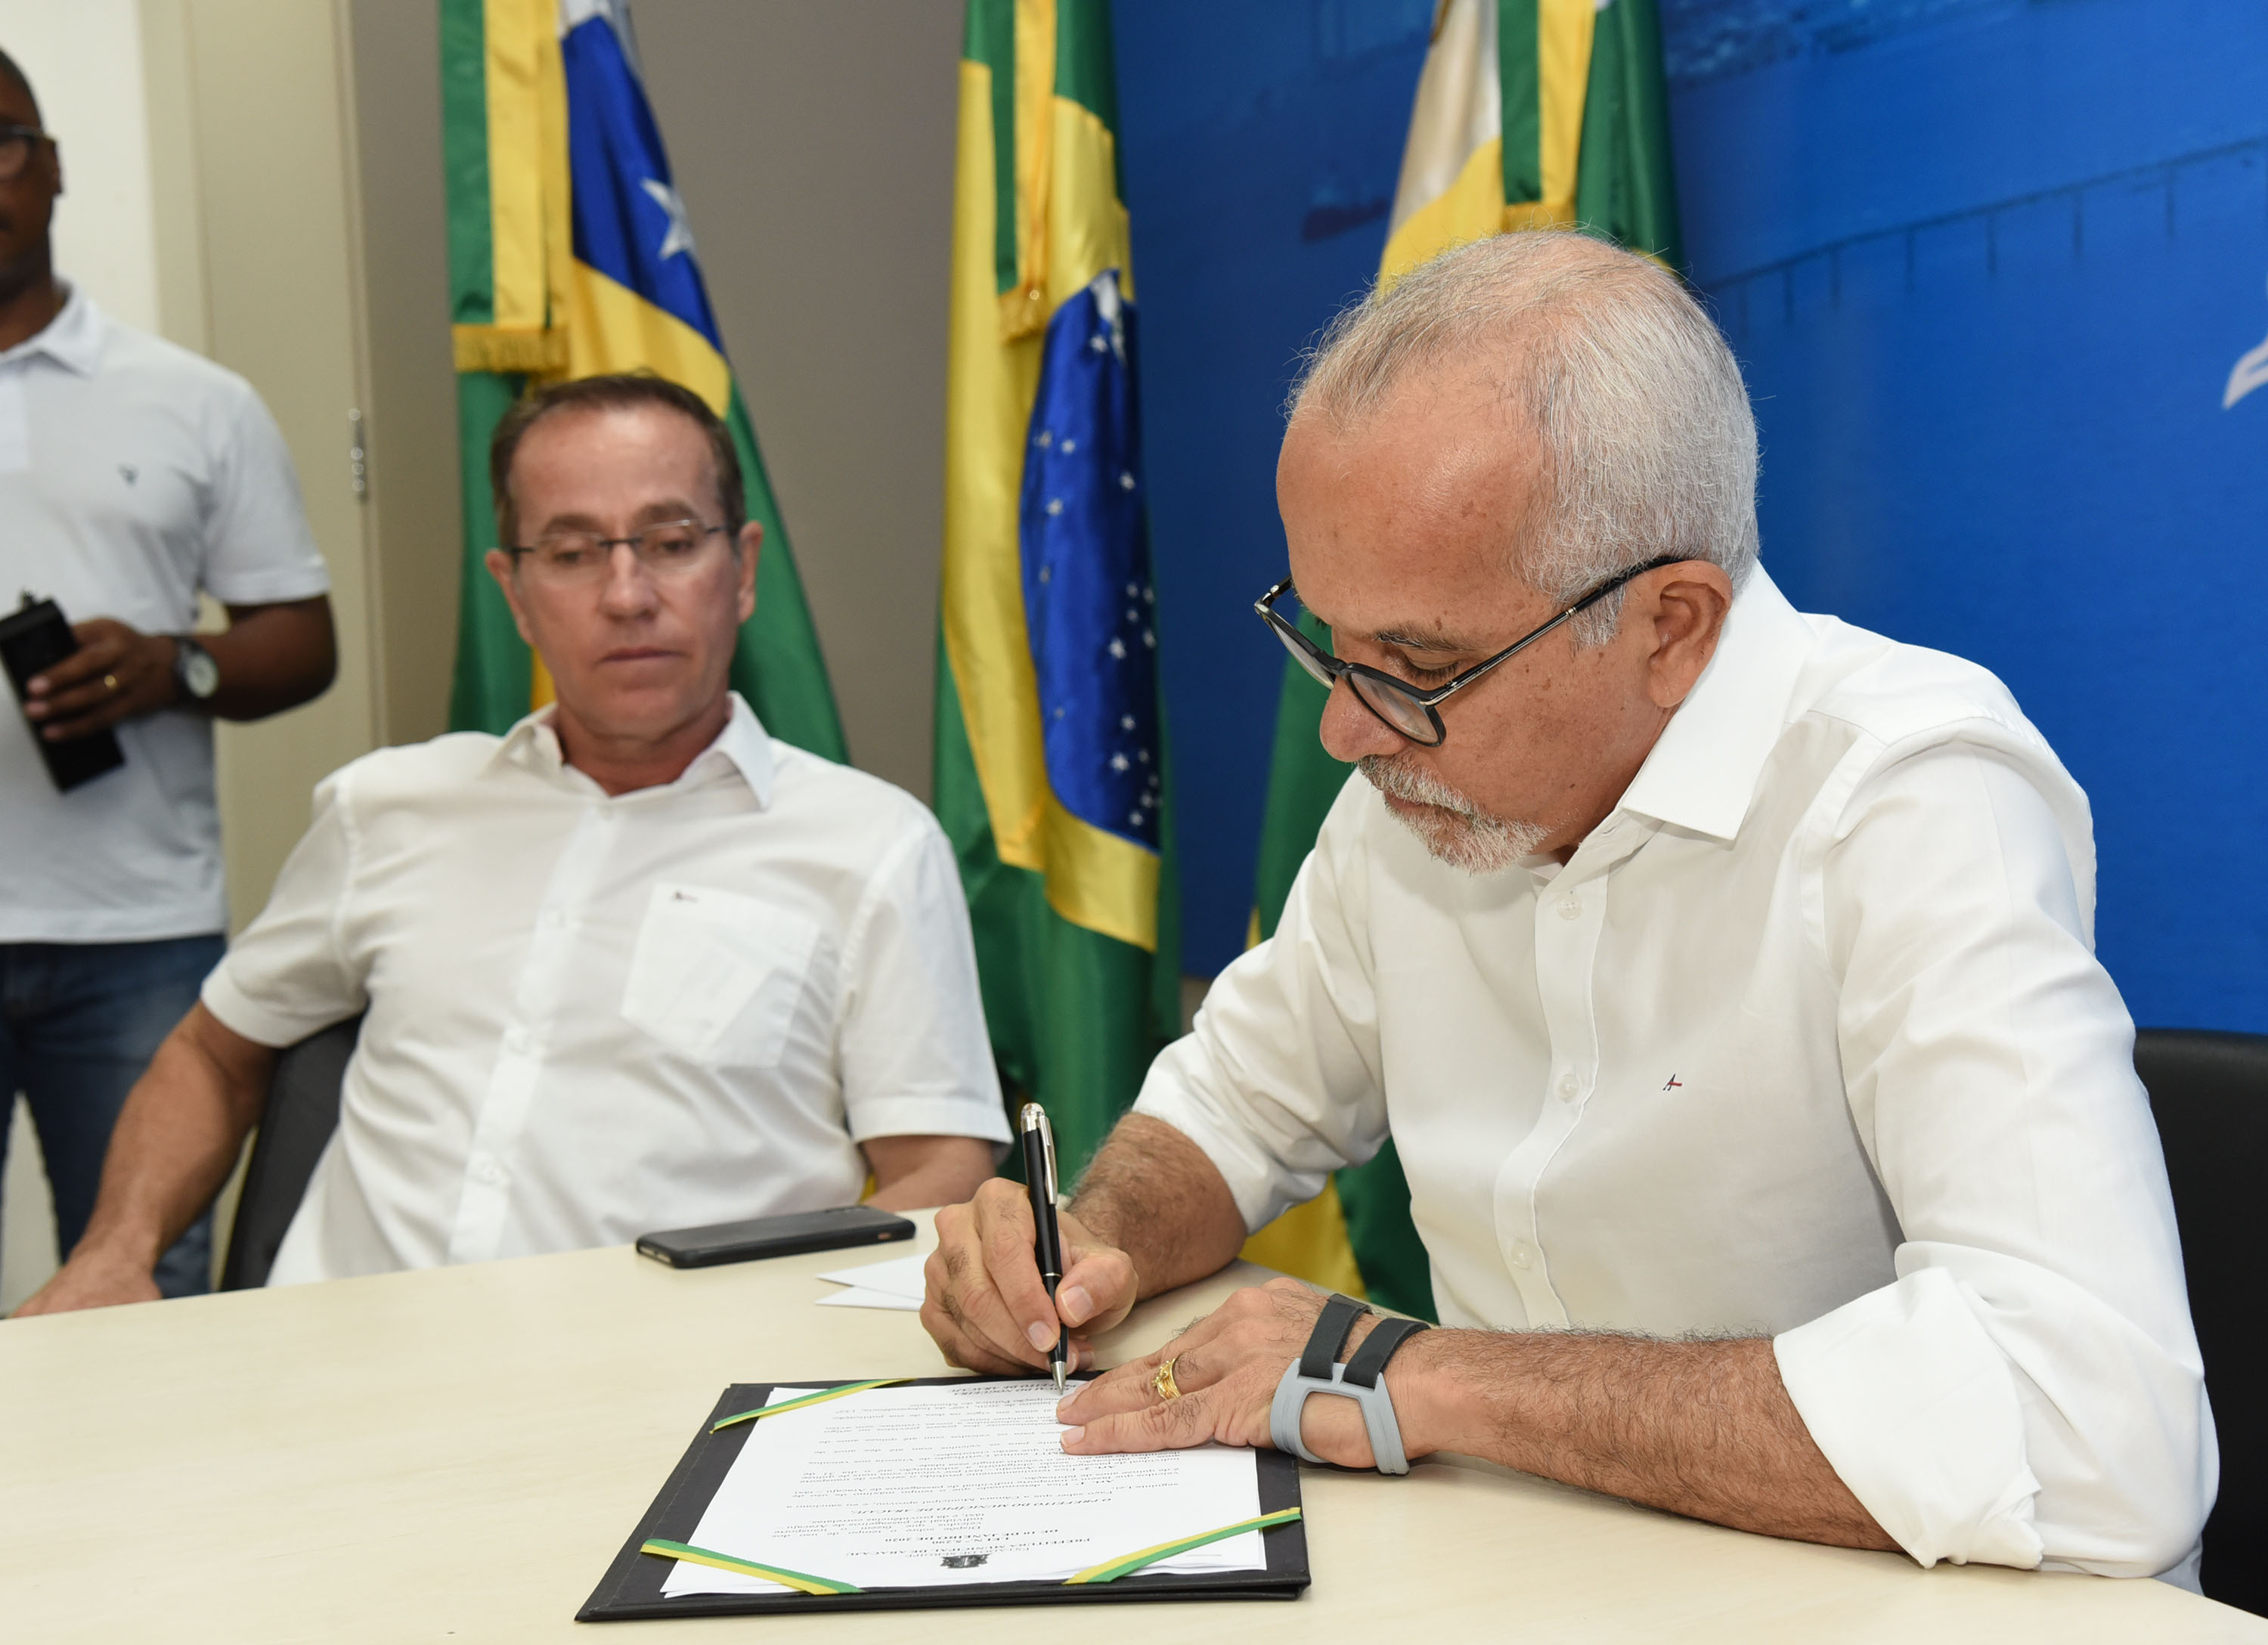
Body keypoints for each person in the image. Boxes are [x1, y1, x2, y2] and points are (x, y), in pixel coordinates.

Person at [919, 231, 2214, 1584]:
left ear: (1672, 627)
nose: (1345, 735)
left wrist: (1419, 1376)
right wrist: (1089, 1239)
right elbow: (1237, 1108)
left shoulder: (1909, 798)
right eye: (1325, 643)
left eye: (1416, 664)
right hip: (1510, 1568)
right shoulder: (1421, 780)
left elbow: (2100, 1442)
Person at [20, 372, 1008, 1310]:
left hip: (663, 1395)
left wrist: (777, 1327)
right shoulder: (389, 809)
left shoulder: (869, 844)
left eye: (670, 542)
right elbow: (210, 1053)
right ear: (514, 593)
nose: (627, 595)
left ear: (742, 570)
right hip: (330, 1379)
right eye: (573, 554)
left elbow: (940, 1163)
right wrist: (115, 1252)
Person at [0, 46, 336, 1298]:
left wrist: (172, 668)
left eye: (3, 143)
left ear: (54, 165)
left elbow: (302, 639)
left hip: (136, 931)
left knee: (140, 1296)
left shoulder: (194, 401)